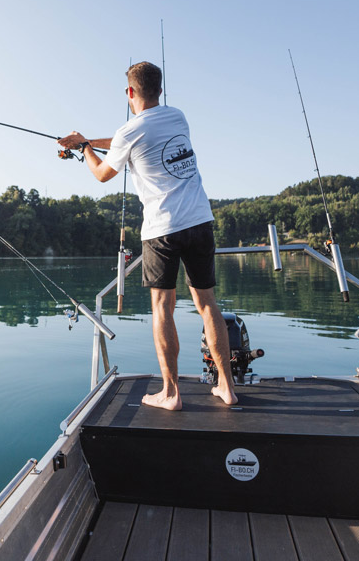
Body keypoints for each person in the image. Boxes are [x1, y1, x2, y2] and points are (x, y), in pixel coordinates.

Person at [58, 61, 237, 411]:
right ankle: (226, 387)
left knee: (162, 308)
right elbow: (131, 139)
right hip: (200, 221)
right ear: (159, 88)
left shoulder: (129, 132)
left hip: (162, 230)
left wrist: (85, 150)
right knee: (207, 304)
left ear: (130, 93)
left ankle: (171, 393)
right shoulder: (178, 117)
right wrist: (87, 140)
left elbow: (102, 174)